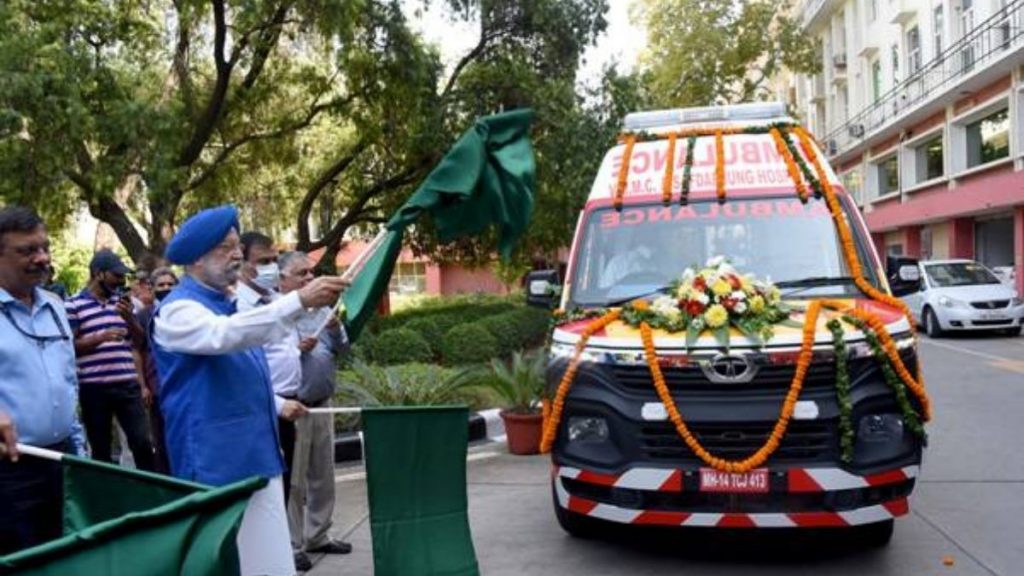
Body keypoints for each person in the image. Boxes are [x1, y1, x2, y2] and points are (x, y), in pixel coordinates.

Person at [150, 205, 348, 576]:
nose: (237, 255)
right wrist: (300, 300)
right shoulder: (178, 311)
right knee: (225, 565)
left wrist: (276, 404)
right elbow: (223, 337)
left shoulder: (228, 306)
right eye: (225, 247)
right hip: (214, 464)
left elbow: (238, 373)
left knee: (270, 566)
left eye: (237, 246)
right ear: (196, 259)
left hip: (257, 455)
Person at [0, 206, 87, 555]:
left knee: (61, 557)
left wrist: (79, 450)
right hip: (10, 471)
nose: (42, 258)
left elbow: (69, 381)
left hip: (61, 463)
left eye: (44, 247)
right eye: (27, 250)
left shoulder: (55, 306)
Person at [280, 252, 353, 569]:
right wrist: (296, 349)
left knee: (323, 475)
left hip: (323, 404)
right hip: (294, 406)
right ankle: (292, 544)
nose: (309, 278)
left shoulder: (323, 309)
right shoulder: (278, 314)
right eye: (301, 274)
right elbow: (267, 359)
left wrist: (336, 330)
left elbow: (344, 350)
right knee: (294, 481)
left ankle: (318, 535)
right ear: (283, 280)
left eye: (310, 273)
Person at [65, 250, 157, 471]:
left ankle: (151, 491)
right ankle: (106, 499)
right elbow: (68, 348)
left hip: (127, 385)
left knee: (142, 442)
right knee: (101, 449)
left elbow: (140, 341)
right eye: (116, 275)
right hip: (94, 389)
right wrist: (100, 338)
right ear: (98, 274)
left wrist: (129, 319)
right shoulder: (73, 305)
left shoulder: (123, 304)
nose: (121, 281)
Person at [235, 232, 306, 511]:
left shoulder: (278, 301)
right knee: (263, 490)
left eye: (275, 260)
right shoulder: (237, 307)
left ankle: (283, 548)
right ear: (242, 261)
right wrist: (276, 405)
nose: (272, 268)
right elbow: (242, 369)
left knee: (285, 483)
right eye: (263, 261)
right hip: (262, 407)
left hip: (288, 404)